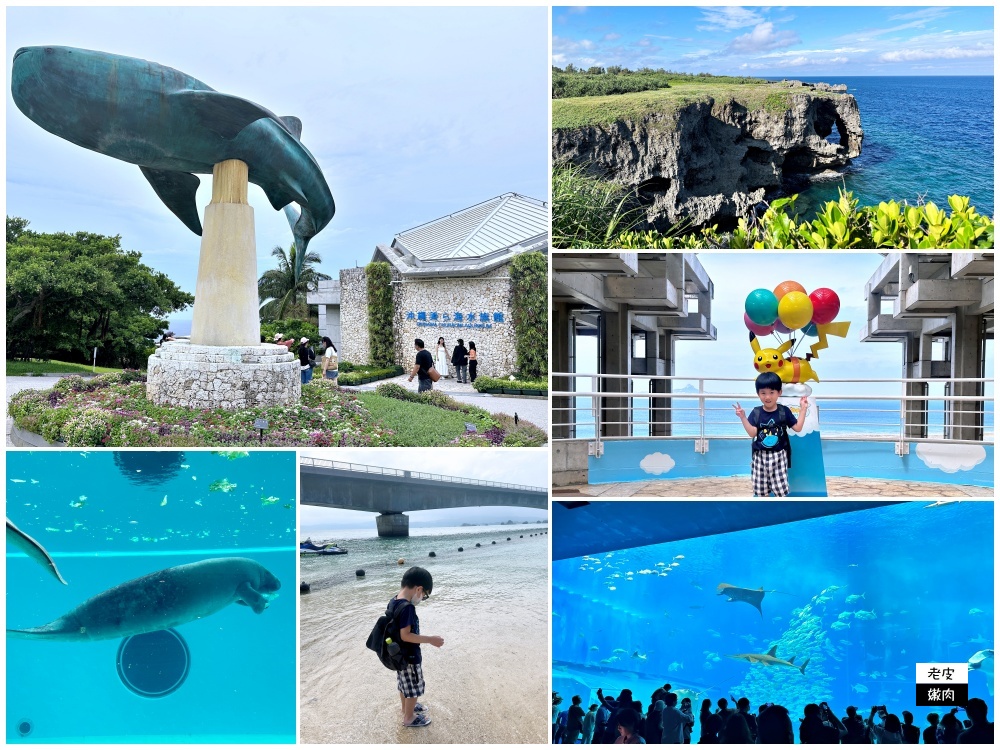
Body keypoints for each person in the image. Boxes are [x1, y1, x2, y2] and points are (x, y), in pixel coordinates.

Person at [733, 370, 807, 497]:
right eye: (763, 393)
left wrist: (803, 409)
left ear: (779, 392)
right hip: (760, 457)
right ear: (758, 394)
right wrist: (743, 417)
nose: (767, 397)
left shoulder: (784, 411)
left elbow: (798, 428)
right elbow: (752, 433)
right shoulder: (756, 413)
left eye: (772, 392)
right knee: (761, 490)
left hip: (779, 456)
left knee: (780, 490)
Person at [391, 566, 443, 728]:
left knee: (404, 684)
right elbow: (405, 635)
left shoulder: (394, 600)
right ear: (419, 589)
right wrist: (430, 639)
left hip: (398, 654)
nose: (422, 598)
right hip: (409, 655)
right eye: (424, 595)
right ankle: (409, 717)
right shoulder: (408, 608)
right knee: (414, 687)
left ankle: (405, 708)